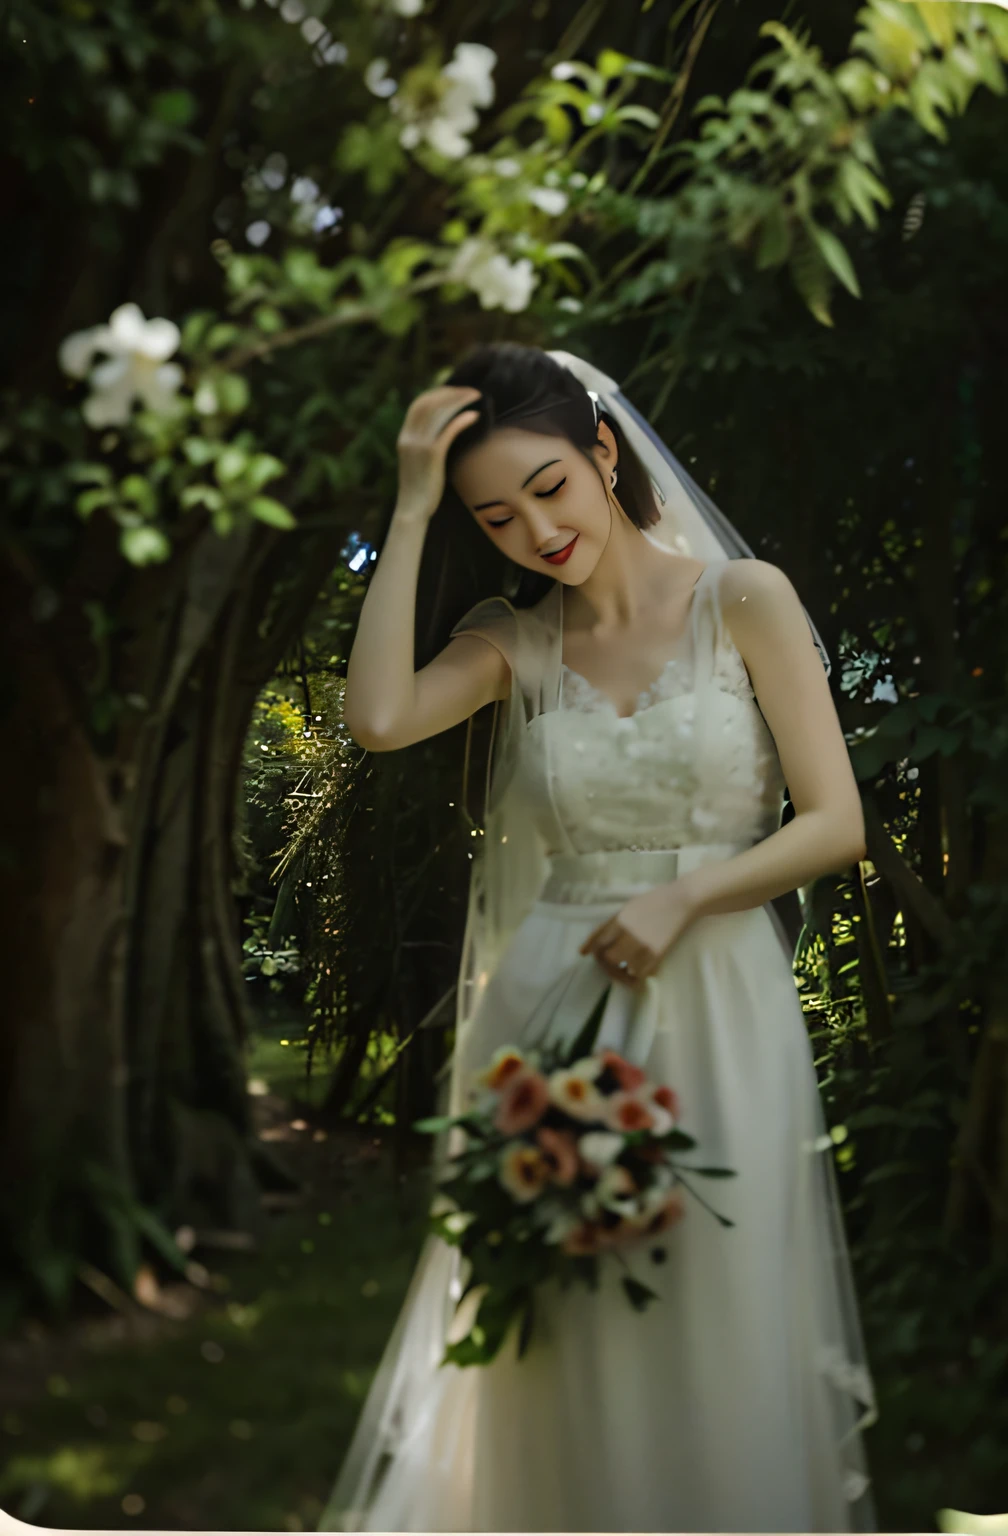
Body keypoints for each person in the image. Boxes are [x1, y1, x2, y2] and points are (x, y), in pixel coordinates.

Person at [320, 343, 878, 1533]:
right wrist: (414, 508)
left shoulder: (746, 601)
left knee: (714, 1310)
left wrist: (686, 898)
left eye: (550, 488)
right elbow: (376, 719)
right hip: (552, 1008)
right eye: (495, 514)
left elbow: (837, 824)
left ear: (604, 453)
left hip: (716, 995)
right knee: (563, 1315)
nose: (533, 529)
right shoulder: (513, 642)